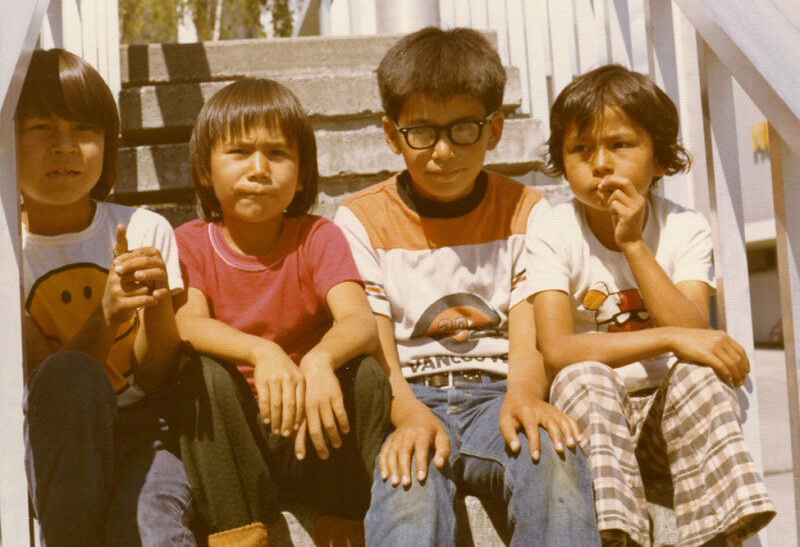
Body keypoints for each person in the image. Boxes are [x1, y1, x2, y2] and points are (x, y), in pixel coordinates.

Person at [334, 27, 599, 546]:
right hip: (407, 399)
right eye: (420, 132)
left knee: (557, 458)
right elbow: (374, 340)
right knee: (408, 489)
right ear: (391, 135)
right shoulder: (360, 219)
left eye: (463, 130)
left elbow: (528, 339)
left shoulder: (527, 211)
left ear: (494, 129)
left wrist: (524, 393)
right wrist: (406, 412)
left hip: (497, 397)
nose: (442, 151)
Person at [527, 64, 776, 547]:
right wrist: (665, 338)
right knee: (583, 373)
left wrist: (634, 245)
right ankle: (617, 536)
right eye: (581, 149)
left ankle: (718, 535)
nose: (600, 164)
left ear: (660, 160)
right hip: (592, 425)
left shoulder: (684, 227)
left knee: (701, 373)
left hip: (669, 423)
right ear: (561, 160)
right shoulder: (552, 230)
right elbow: (556, 350)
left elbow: (693, 329)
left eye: (620, 145)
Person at [172, 78, 391, 546]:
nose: (258, 169)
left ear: (302, 172)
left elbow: (360, 321)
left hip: (314, 435)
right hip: (235, 451)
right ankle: (238, 533)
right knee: (200, 375)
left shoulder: (318, 237)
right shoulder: (190, 241)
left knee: (367, 375)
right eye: (239, 153)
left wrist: (317, 360)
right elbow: (186, 325)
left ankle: (345, 521)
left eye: (277, 154)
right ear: (206, 169)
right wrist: (263, 351)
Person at [18, 49, 194, 545]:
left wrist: (157, 305)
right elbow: (50, 392)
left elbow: (158, 379)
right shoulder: (10, 254)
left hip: (148, 435)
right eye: (41, 129)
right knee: (71, 375)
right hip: (61, 449)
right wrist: (107, 317)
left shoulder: (143, 228)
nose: (65, 147)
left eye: (84, 130)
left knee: (148, 532)